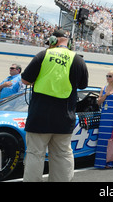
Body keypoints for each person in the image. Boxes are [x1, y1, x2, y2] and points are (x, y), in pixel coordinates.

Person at [21, 29, 88, 182]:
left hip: (39, 115)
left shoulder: (43, 54)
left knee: (34, 154)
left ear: (53, 40)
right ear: (69, 43)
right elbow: (83, 85)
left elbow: (25, 81)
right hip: (64, 118)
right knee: (62, 155)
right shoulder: (77, 59)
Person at [94, 71, 113, 168]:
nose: (108, 77)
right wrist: (105, 95)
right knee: (102, 139)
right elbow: (98, 102)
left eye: (110, 76)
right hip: (104, 116)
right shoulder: (103, 88)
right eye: (107, 76)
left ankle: (110, 162)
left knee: (111, 139)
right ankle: (101, 163)